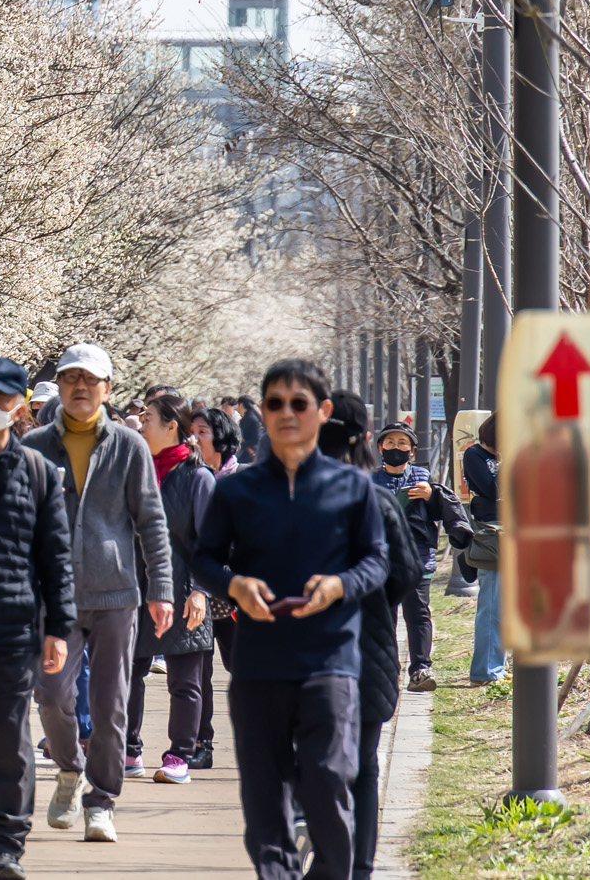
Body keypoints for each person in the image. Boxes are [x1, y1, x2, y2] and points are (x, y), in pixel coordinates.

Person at [193, 359, 389, 880]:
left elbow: (377, 561)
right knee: (264, 798)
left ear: (321, 411)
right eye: (275, 403)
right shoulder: (237, 491)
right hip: (258, 664)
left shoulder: (354, 487)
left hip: (330, 662)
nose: (286, 413)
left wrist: (340, 585)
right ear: (263, 410)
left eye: (298, 403)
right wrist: (234, 584)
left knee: (327, 781)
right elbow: (204, 559)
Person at [25, 342, 173, 844]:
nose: (81, 388)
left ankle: (101, 801)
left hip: (116, 594)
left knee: (110, 706)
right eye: (71, 379)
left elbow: (151, 521)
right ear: (61, 386)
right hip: (56, 597)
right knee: (50, 695)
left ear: (107, 389)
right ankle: (70, 767)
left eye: (90, 380)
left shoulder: (128, 446)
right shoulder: (36, 446)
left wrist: (162, 589)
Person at [0, 362, 73, 880]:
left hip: (15, 628)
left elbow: (56, 557)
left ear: (18, 406)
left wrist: (58, 627)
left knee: (9, 737)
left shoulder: (36, 471)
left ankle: (7, 844)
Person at [319, 393, 417, 880]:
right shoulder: (376, 500)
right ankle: (358, 867)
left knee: (312, 763)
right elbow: (405, 574)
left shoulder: (288, 498)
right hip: (369, 650)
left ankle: (323, 859)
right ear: (365, 439)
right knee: (362, 765)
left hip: (303, 658)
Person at [122, 393, 216, 786]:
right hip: (135, 587)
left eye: (148, 418)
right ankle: (129, 748)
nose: (140, 424)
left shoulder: (198, 477)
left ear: (171, 426)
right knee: (128, 671)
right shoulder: (137, 471)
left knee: (184, 679)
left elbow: (212, 542)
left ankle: (180, 754)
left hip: (184, 588)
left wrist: (201, 590)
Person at [372, 421, 471, 692]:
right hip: (380, 560)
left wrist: (430, 496)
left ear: (412, 451)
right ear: (380, 448)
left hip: (417, 558)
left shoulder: (423, 478)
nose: (396, 447)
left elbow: (440, 513)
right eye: (390, 442)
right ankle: (386, 670)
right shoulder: (368, 481)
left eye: (402, 443)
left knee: (417, 615)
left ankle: (420, 670)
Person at [189, 404, 244, 769]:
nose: (193, 439)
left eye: (202, 432)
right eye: (190, 431)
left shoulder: (244, 482)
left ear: (221, 438)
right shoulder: (186, 478)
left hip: (236, 594)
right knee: (197, 674)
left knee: (249, 671)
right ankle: (200, 744)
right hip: (197, 592)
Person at [464, 415, 508, 684]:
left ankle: (498, 665)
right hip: (492, 534)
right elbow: (494, 491)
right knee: (492, 604)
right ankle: (485, 670)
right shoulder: (474, 455)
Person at [237, 396, 266, 462]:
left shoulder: (247, 419)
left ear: (241, 405)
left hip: (248, 452)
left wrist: (241, 444)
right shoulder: (255, 416)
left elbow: (255, 439)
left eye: (238, 405)